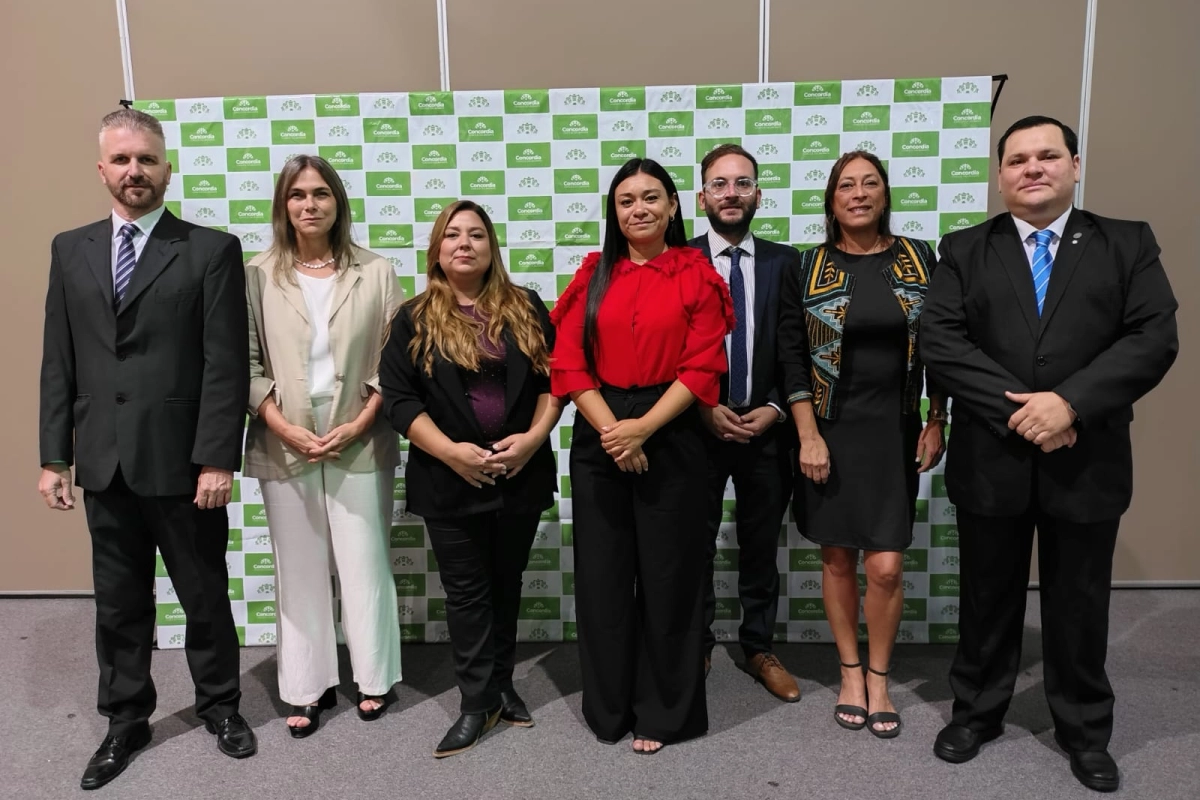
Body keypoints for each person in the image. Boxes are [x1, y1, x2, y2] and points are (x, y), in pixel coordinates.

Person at [921, 116, 1178, 792]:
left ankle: (1084, 731)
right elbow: (942, 341)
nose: (1032, 168)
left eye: (1047, 156)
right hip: (992, 458)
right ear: (1000, 173)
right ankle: (975, 712)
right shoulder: (964, 248)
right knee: (986, 598)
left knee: (1081, 603)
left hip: (1085, 455)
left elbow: (1153, 337)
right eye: (1017, 159)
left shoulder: (1126, 243)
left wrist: (1068, 403)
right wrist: (1025, 413)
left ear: (1074, 165)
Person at [38, 108, 255, 791]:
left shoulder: (210, 250)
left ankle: (220, 705)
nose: (136, 171)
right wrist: (54, 456)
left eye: (148, 159)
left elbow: (226, 366)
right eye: (123, 159)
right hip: (103, 460)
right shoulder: (69, 249)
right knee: (118, 603)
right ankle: (126, 719)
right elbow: (59, 359)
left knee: (204, 595)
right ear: (102, 169)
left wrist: (218, 456)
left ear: (167, 166)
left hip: (184, 464)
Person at [551, 158, 734, 754]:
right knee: (604, 580)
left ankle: (665, 713)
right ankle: (609, 708)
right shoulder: (592, 274)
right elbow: (569, 364)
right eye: (626, 200)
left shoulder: (697, 274)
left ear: (675, 207)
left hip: (674, 430)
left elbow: (704, 364)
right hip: (600, 430)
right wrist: (614, 432)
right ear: (615, 211)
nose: (639, 209)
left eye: (651, 197)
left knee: (669, 578)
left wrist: (643, 430)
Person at [379, 200, 560, 758]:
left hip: (519, 475)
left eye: (476, 234)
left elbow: (560, 381)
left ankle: (502, 685)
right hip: (448, 479)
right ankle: (475, 702)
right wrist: (452, 453)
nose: (465, 243)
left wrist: (532, 440)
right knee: (468, 594)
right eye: (452, 235)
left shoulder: (526, 306)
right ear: (437, 249)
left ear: (491, 246)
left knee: (506, 585)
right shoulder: (414, 316)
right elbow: (399, 399)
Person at [777, 150, 945, 739]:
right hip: (829, 428)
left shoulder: (919, 258)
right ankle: (851, 673)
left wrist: (937, 415)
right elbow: (791, 358)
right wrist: (807, 436)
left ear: (885, 194)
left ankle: (880, 676)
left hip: (894, 428)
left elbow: (943, 342)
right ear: (831, 199)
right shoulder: (810, 265)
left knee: (888, 566)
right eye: (846, 185)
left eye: (870, 183)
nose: (858, 193)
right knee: (837, 556)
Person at [244, 154, 403, 738]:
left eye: (320, 194)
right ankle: (306, 688)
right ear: (283, 205)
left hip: (359, 438)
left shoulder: (377, 271)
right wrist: (281, 423)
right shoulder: (256, 272)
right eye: (296, 195)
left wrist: (362, 421)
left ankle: (375, 677)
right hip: (283, 440)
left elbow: (396, 358)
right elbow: (247, 361)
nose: (309, 205)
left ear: (338, 202)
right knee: (301, 569)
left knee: (364, 564)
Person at [689, 144, 799, 701]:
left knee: (760, 547)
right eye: (720, 183)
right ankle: (698, 645)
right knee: (694, 544)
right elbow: (664, 352)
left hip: (766, 431)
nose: (731, 193)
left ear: (758, 193)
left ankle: (759, 647)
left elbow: (797, 348)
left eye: (742, 183)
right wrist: (702, 407)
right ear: (702, 195)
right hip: (694, 429)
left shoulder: (787, 262)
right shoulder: (677, 260)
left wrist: (777, 407)